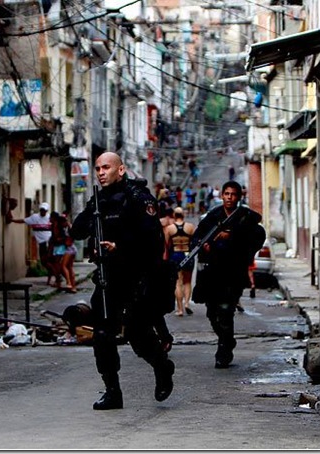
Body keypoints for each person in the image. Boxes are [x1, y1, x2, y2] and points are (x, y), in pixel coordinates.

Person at [70, 151, 175, 410]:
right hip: (108, 278)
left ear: (121, 169)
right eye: (97, 168)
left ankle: (162, 367)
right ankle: (112, 391)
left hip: (137, 277)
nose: (101, 172)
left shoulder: (138, 199)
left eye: (106, 167)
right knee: (103, 335)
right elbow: (77, 231)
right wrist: (92, 214)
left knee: (138, 336)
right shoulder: (99, 200)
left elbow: (153, 241)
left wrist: (120, 247)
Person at [191, 181, 265, 369]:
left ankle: (223, 350)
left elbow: (257, 236)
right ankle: (227, 339)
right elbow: (197, 238)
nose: (229, 197)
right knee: (212, 313)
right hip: (212, 274)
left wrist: (231, 236)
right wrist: (204, 245)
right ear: (222, 195)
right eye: (226, 194)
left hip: (233, 273)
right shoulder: (213, 216)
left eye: (233, 194)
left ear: (239, 197)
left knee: (225, 311)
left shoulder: (245, 217)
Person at [10, 202, 56, 285]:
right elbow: (23, 220)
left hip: (50, 242)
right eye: (42, 210)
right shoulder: (35, 217)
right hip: (42, 243)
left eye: (44, 210)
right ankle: (55, 275)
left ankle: (55, 275)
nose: (43, 212)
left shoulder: (50, 218)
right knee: (44, 262)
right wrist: (13, 220)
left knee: (48, 261)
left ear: (47, 211)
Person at [164, 207, 196, 316]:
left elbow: (166, 245)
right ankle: (187, 303)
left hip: (175, 254)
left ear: (174, 215)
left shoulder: (169, 228)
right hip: (187, 254)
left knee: (178, 283)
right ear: (183, 215)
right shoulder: (190, 227)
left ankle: (180, 309)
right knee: (188, 281)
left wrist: (165, 259)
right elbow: (195, 242)